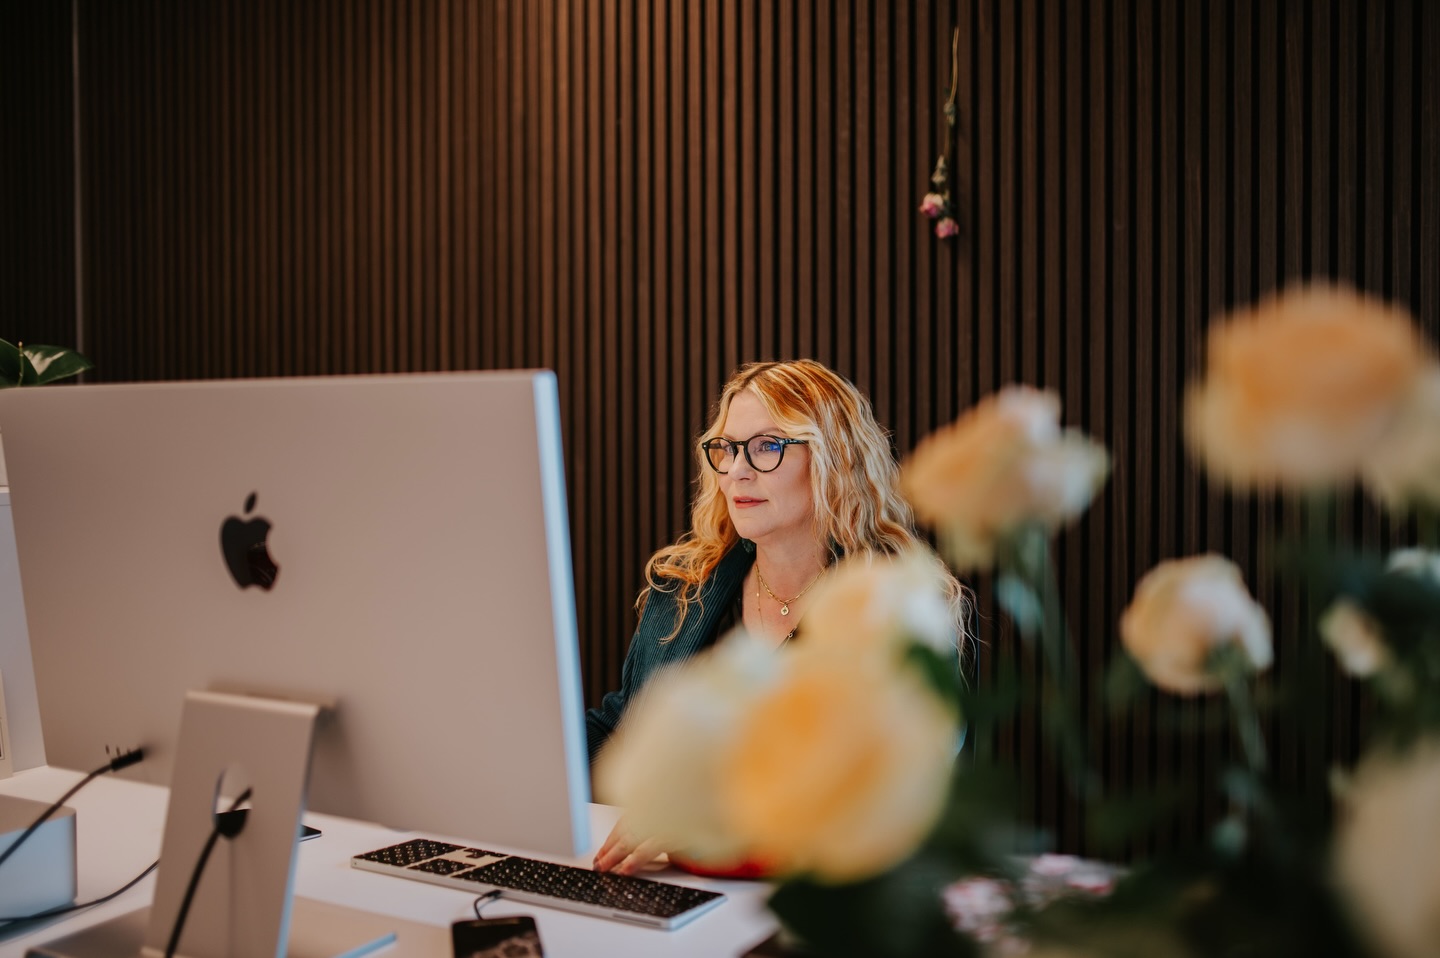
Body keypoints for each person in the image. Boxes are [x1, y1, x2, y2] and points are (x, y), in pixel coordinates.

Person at [586, 359, 967, 874]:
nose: (737, 470)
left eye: (768, 446)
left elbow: (901, 801)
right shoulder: (682, 593)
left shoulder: (899, 607)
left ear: (835, 459)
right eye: (726, 448)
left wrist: (699, 831)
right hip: (663, 890)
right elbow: (620, 733)